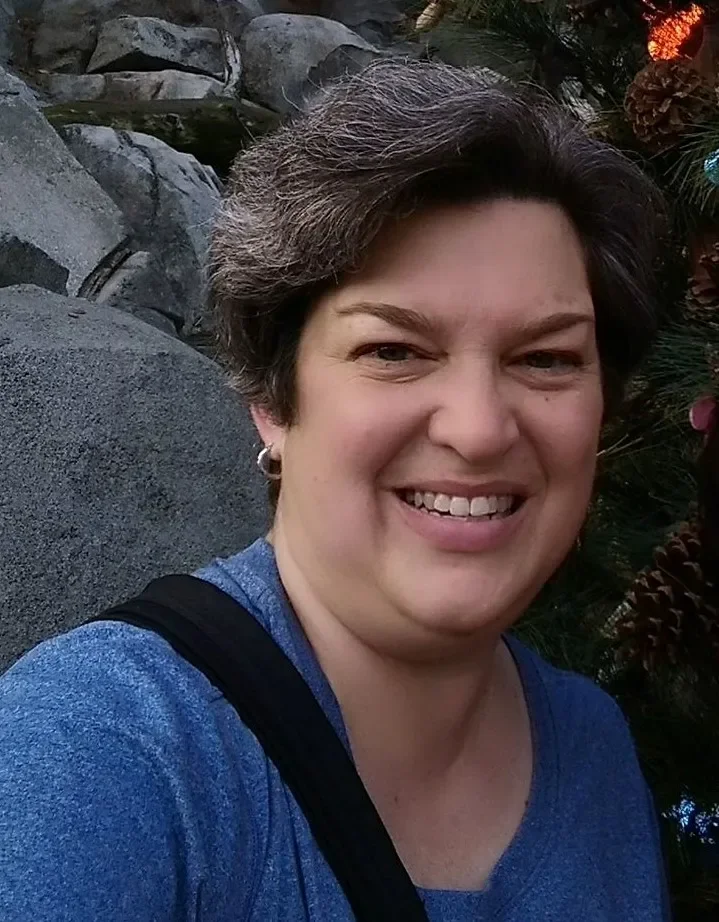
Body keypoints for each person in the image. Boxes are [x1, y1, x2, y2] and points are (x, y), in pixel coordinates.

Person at [0, 60, 671, 921]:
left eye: (545, 358)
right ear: (273, 400)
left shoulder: (592, 746)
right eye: (392, 351)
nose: (477, 429)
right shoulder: (98, 750)